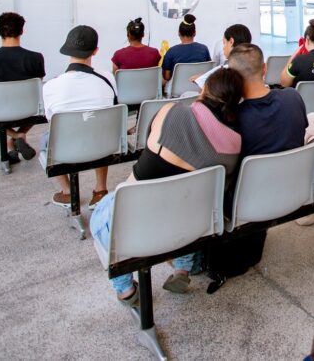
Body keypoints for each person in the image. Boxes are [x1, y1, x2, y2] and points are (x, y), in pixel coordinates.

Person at [89, 68, 244, 304]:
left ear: (205, 89)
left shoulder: (172, 112)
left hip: (137, 220)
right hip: (189, 224)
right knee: (187, 204)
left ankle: (125, 290)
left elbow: (148, 140)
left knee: (102, 211)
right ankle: (183, 268)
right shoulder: (234, 144)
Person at [41, 26, 117, 209]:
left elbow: (53, 121)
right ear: (96, 51)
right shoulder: (108, 78)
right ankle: (100, 189)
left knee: (46, 138)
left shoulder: (50, 86)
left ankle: (68, 192)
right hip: (104, 144)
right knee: (100, 125)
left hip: (66, 148)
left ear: (66, 49)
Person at [0, 12, 46, 163]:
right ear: (22, 31)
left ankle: (14, 137)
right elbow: (37, 88)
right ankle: (15, 139)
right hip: (28, 109)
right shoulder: (36, 58)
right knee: (38, 105)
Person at [229, 43, 308, 157]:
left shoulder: (235, 118)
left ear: (232, 77)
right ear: (265, 68)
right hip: (299, 173)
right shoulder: (293, 97)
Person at [161, 14, 211, 86]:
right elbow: (207, 71)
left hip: (177, 92)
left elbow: (167, 77)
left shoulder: (171, 52)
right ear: (194, 33)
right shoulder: (204, 49)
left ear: (179, 33)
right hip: (199, 89)